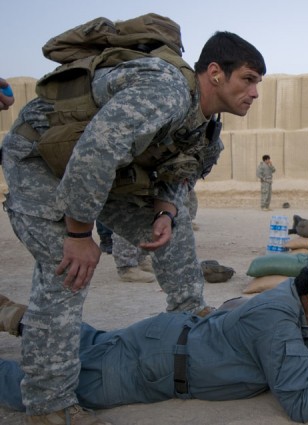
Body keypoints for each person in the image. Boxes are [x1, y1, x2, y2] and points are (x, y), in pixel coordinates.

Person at [1, 25, 266, 424]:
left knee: (172, 237)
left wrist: (165, 213)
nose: (255, 93)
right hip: (40, 159)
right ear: (215, 72)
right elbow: (95, 151)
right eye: (248, 79)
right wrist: (78, 234)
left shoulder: (206, 128)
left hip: (101, 175)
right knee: (68, 269)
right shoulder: (166, 92)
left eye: (258, 83)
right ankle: (49, 403)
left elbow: (180, 177)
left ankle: (189, 316)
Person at [0, 241, 308, 423]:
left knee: (90, 342)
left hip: (166, 339)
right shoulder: (278, 319)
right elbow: (301, 403)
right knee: (46, 385)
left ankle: (18, 318)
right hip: (153, 364)